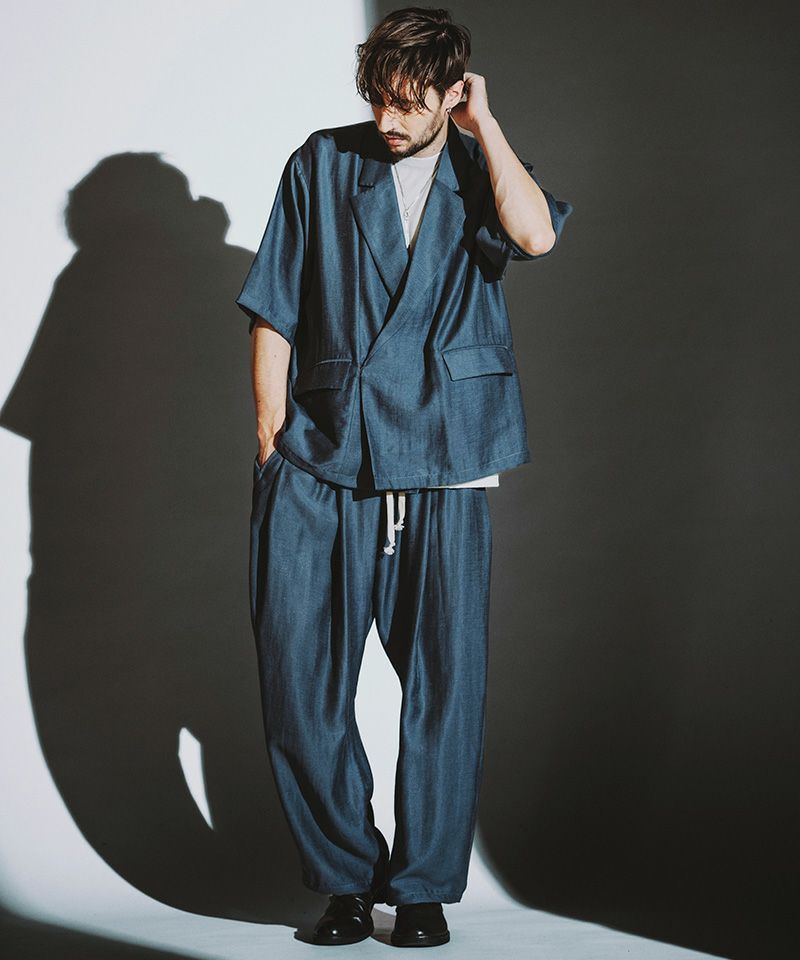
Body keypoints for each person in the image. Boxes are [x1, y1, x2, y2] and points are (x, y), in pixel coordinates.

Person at [235, 6, 572, 948]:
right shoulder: (322, 163)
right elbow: (273, 304)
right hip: (325, 451)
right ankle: (345, 879)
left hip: (448, 453)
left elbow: (537, 238)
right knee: (298, 679)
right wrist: (269, 439)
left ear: (452, 92)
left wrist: (484, 128)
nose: (388, 120)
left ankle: (421, 888)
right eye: (377, 100)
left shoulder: (479, 164)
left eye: (411, 104)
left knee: (444, 687)